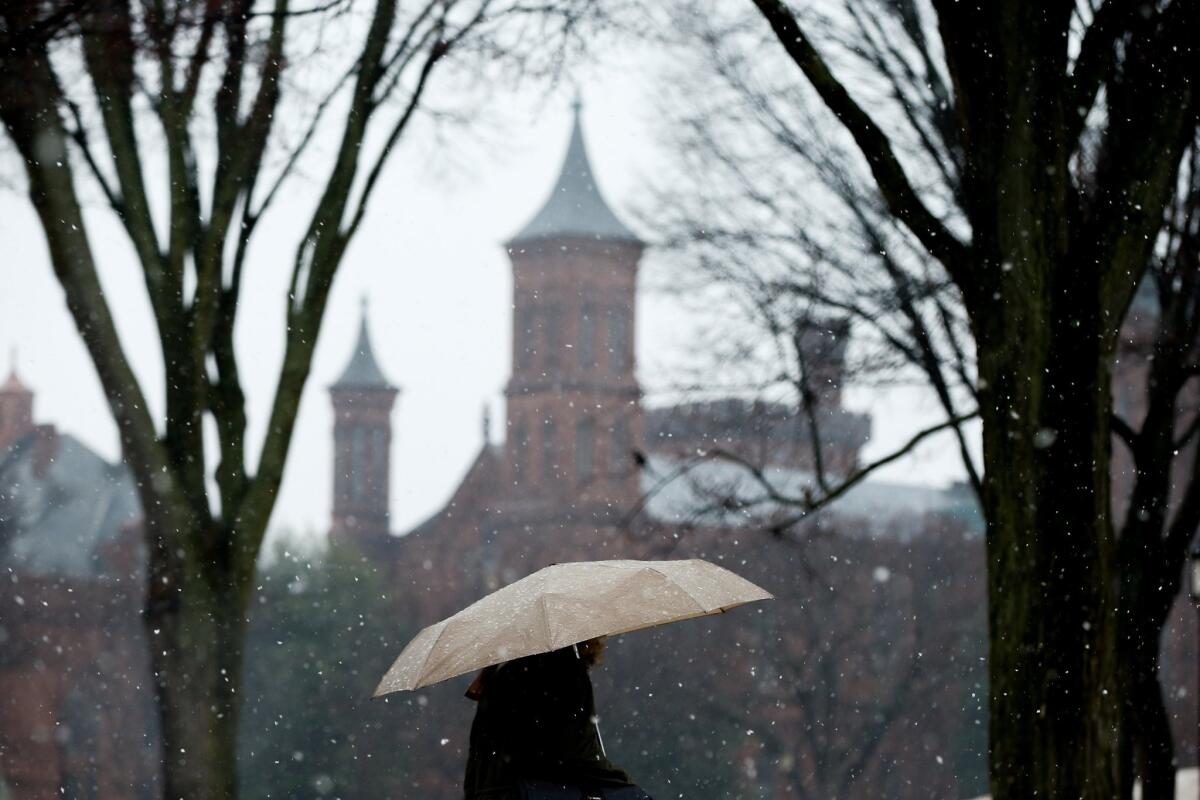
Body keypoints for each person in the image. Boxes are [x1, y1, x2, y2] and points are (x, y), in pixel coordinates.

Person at [463, 637, 652, 800]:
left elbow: (475, 769)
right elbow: (575, 753)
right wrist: (619, 780)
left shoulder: (499, 678)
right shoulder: (567, 672)